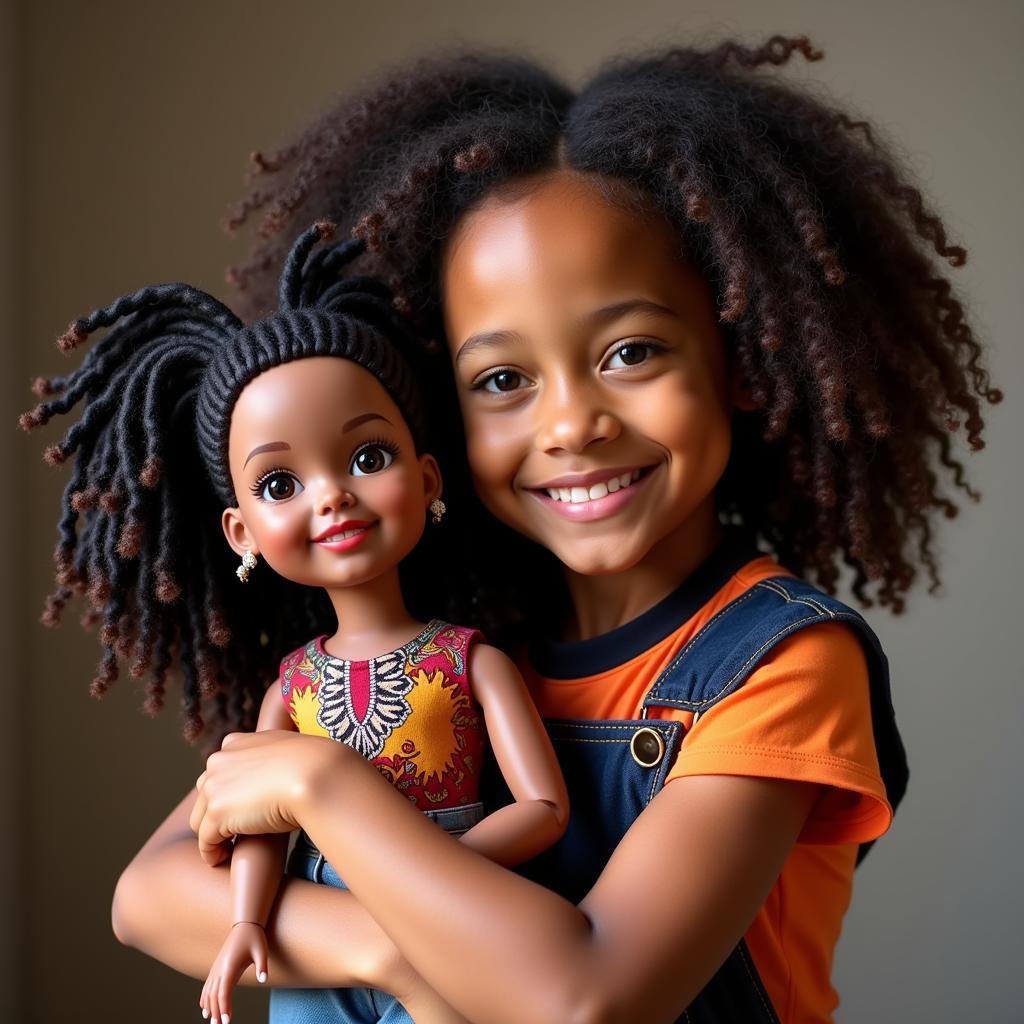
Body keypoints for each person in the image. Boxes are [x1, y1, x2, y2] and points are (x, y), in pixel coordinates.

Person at [107, 34, 999, 1024]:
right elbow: (148, 895)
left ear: (741, 357)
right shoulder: (450, 643)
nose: (571, 424)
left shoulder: (781, 664)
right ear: (437, 429)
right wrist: (390, 954)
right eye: (502, 380)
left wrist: (327, 789)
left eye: (630, 351)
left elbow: (585, 997)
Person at [22, 222, 567, 1024]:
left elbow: (544, 809)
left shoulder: (468, 660)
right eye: (279, 484)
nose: (331, 497)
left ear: (425, 480)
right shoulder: (293, 688)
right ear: (241, 532)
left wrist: (437, 876)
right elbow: (260, 827)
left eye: (367, 459)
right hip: (314, 949)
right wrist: (245, 920)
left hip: (453, 925)